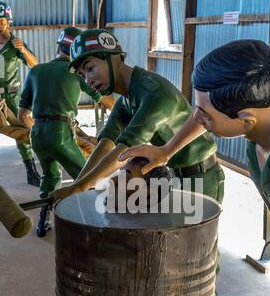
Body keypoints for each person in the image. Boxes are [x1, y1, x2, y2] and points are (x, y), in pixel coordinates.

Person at [119, 39, 270, 296]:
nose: (198, 118)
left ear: (245, 120)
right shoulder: (269, 109)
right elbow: (199, 117)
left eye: (206, 115)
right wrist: (166, 151)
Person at [50, 28, 224, 204]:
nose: (88, 81)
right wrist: (78, 184)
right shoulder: (126, 101)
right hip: (171, 172)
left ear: (113, 58)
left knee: (198, 231)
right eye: (82, 75)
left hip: (201, 176)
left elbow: (124, 149)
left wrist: (79, 188)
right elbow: (106, 144)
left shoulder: (154, 92)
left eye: (90, 68)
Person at [18, 27, 103, 237]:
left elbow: (22, 116)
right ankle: (93, 224)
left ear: (59, 47)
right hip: (61, 132)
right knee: (86, 176)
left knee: (50, 176)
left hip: (37, 134)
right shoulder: (75, 73)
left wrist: (40, 131)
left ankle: (43, 221)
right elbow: (104, 97)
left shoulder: (36, 71)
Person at [0, 1, 40, 186]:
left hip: (13, 95)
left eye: (2, 20)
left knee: (21, 132)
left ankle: (30, 170)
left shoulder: (15, 44)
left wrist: (23, 50)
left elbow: (35, 65)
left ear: (8, 22)